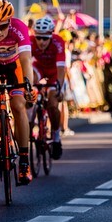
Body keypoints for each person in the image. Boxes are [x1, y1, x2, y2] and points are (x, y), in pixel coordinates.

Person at [0, 0, 36, 185]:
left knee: (19, 106)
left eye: (3, 26)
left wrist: (29, 86)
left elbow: (26, 60)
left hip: (14, 66)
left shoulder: (19, 28)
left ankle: (25, 162)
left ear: (9, 22)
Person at [30, 16, 66, 159]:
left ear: (51, 36)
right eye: (39, 38)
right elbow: (25, 63)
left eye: (45, 38)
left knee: (52, 104)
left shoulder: (58, 42)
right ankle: (31, 119)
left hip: (55, 73)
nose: (41, 42)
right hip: (39, 68)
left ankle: (56, 138)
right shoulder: (30, 41)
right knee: (29, 81)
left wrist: (59, 87)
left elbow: (62, 68)